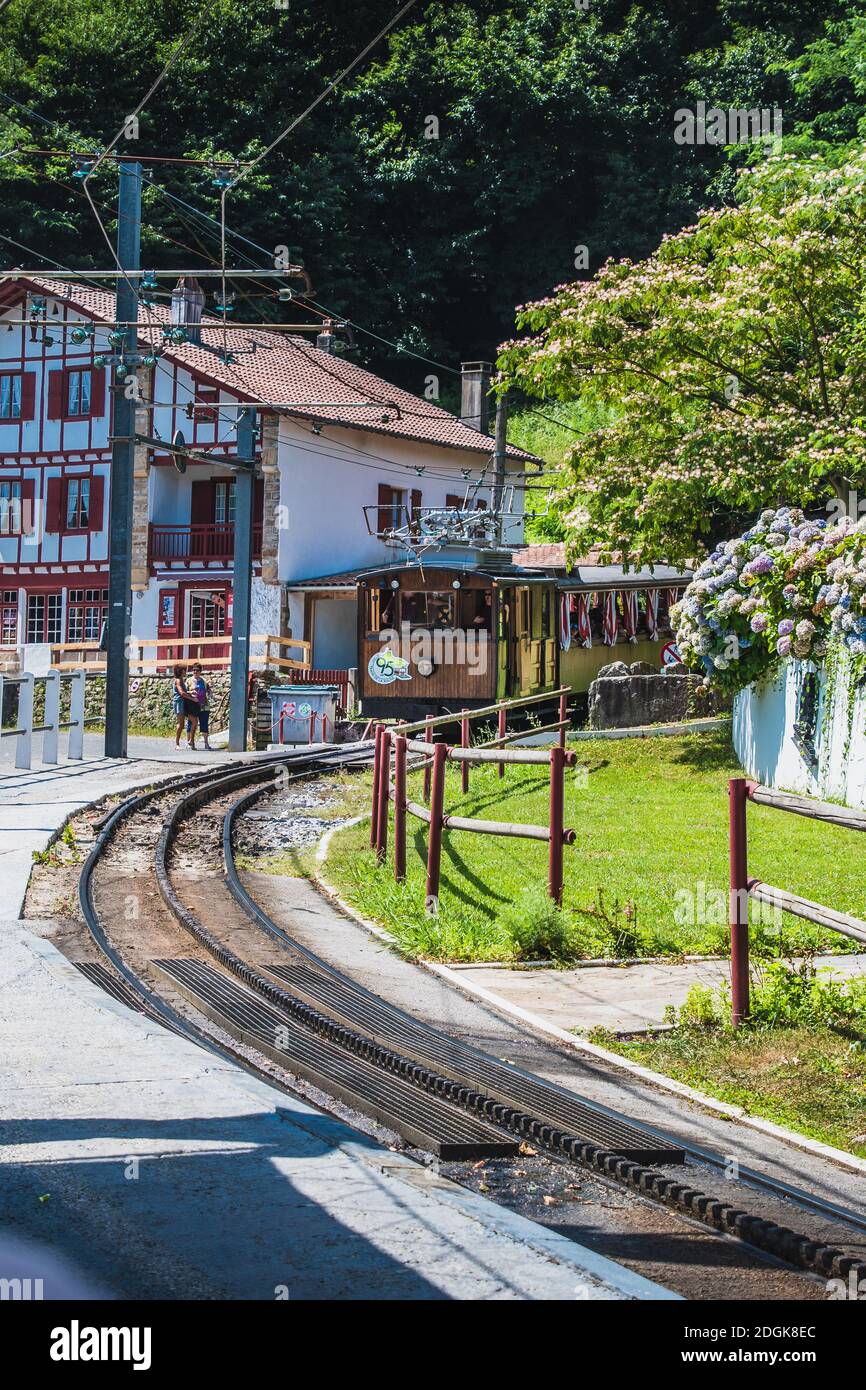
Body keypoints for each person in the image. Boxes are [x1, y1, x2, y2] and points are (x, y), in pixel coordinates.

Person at [172, 664, 199, 750]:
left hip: (184, 702)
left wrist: (190, 692)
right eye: (184, 670)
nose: (186, 671)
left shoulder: (181, 680)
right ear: (181, 671)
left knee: (195, 721)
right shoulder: (178, 681)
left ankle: (191, 740)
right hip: (179, 703)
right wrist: (192, 698)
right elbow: (182, 693)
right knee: (181, 724)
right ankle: (177, 744)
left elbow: (184, 692)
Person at [190, 662, 212, 750]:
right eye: (194, 670)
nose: (195, 672)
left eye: (197, 670)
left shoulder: (204, 681)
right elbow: (184, 692)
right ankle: (191, 743)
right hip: (193, 705)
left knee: (204, 725)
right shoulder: (189, 680)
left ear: (200, 671)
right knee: (191, 724)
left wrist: (210, 692)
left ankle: (206, 743)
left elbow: (209, 691)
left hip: (204, 706)